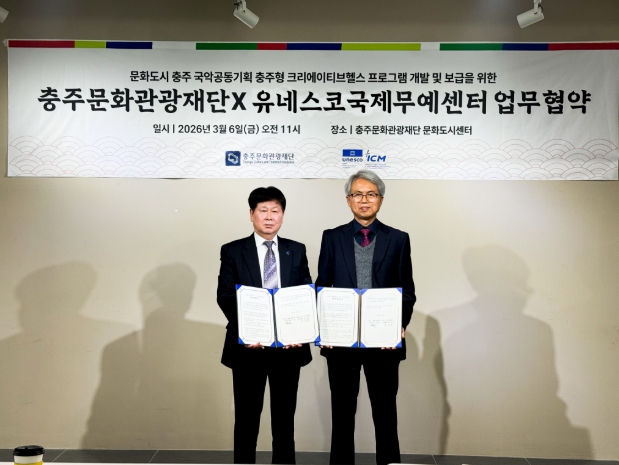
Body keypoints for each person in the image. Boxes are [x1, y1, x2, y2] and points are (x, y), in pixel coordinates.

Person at [316, 170, 416, 465]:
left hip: (382, 342)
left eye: (371, 194)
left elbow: (407, 289)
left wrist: (399, 325)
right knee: (342, 416)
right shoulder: (331, 237)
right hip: (341, 342)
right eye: (357, 194)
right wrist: (324, 329)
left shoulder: (398, 239)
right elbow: (322, 287)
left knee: (385, 416)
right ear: (348, 200)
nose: (364, 200)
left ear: (380, 199)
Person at [217, 186, 313, 464]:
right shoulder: (233, 250)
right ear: (251, 214)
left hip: (288, 349)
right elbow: (225, 295)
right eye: (263, 211)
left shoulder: (296, 250)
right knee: (246, 421)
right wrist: (248, 331)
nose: (269, 217)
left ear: (282, 215)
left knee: (284, 421)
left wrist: (300, 331)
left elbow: (305, 293)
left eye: (275, 211)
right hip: (249, 348)